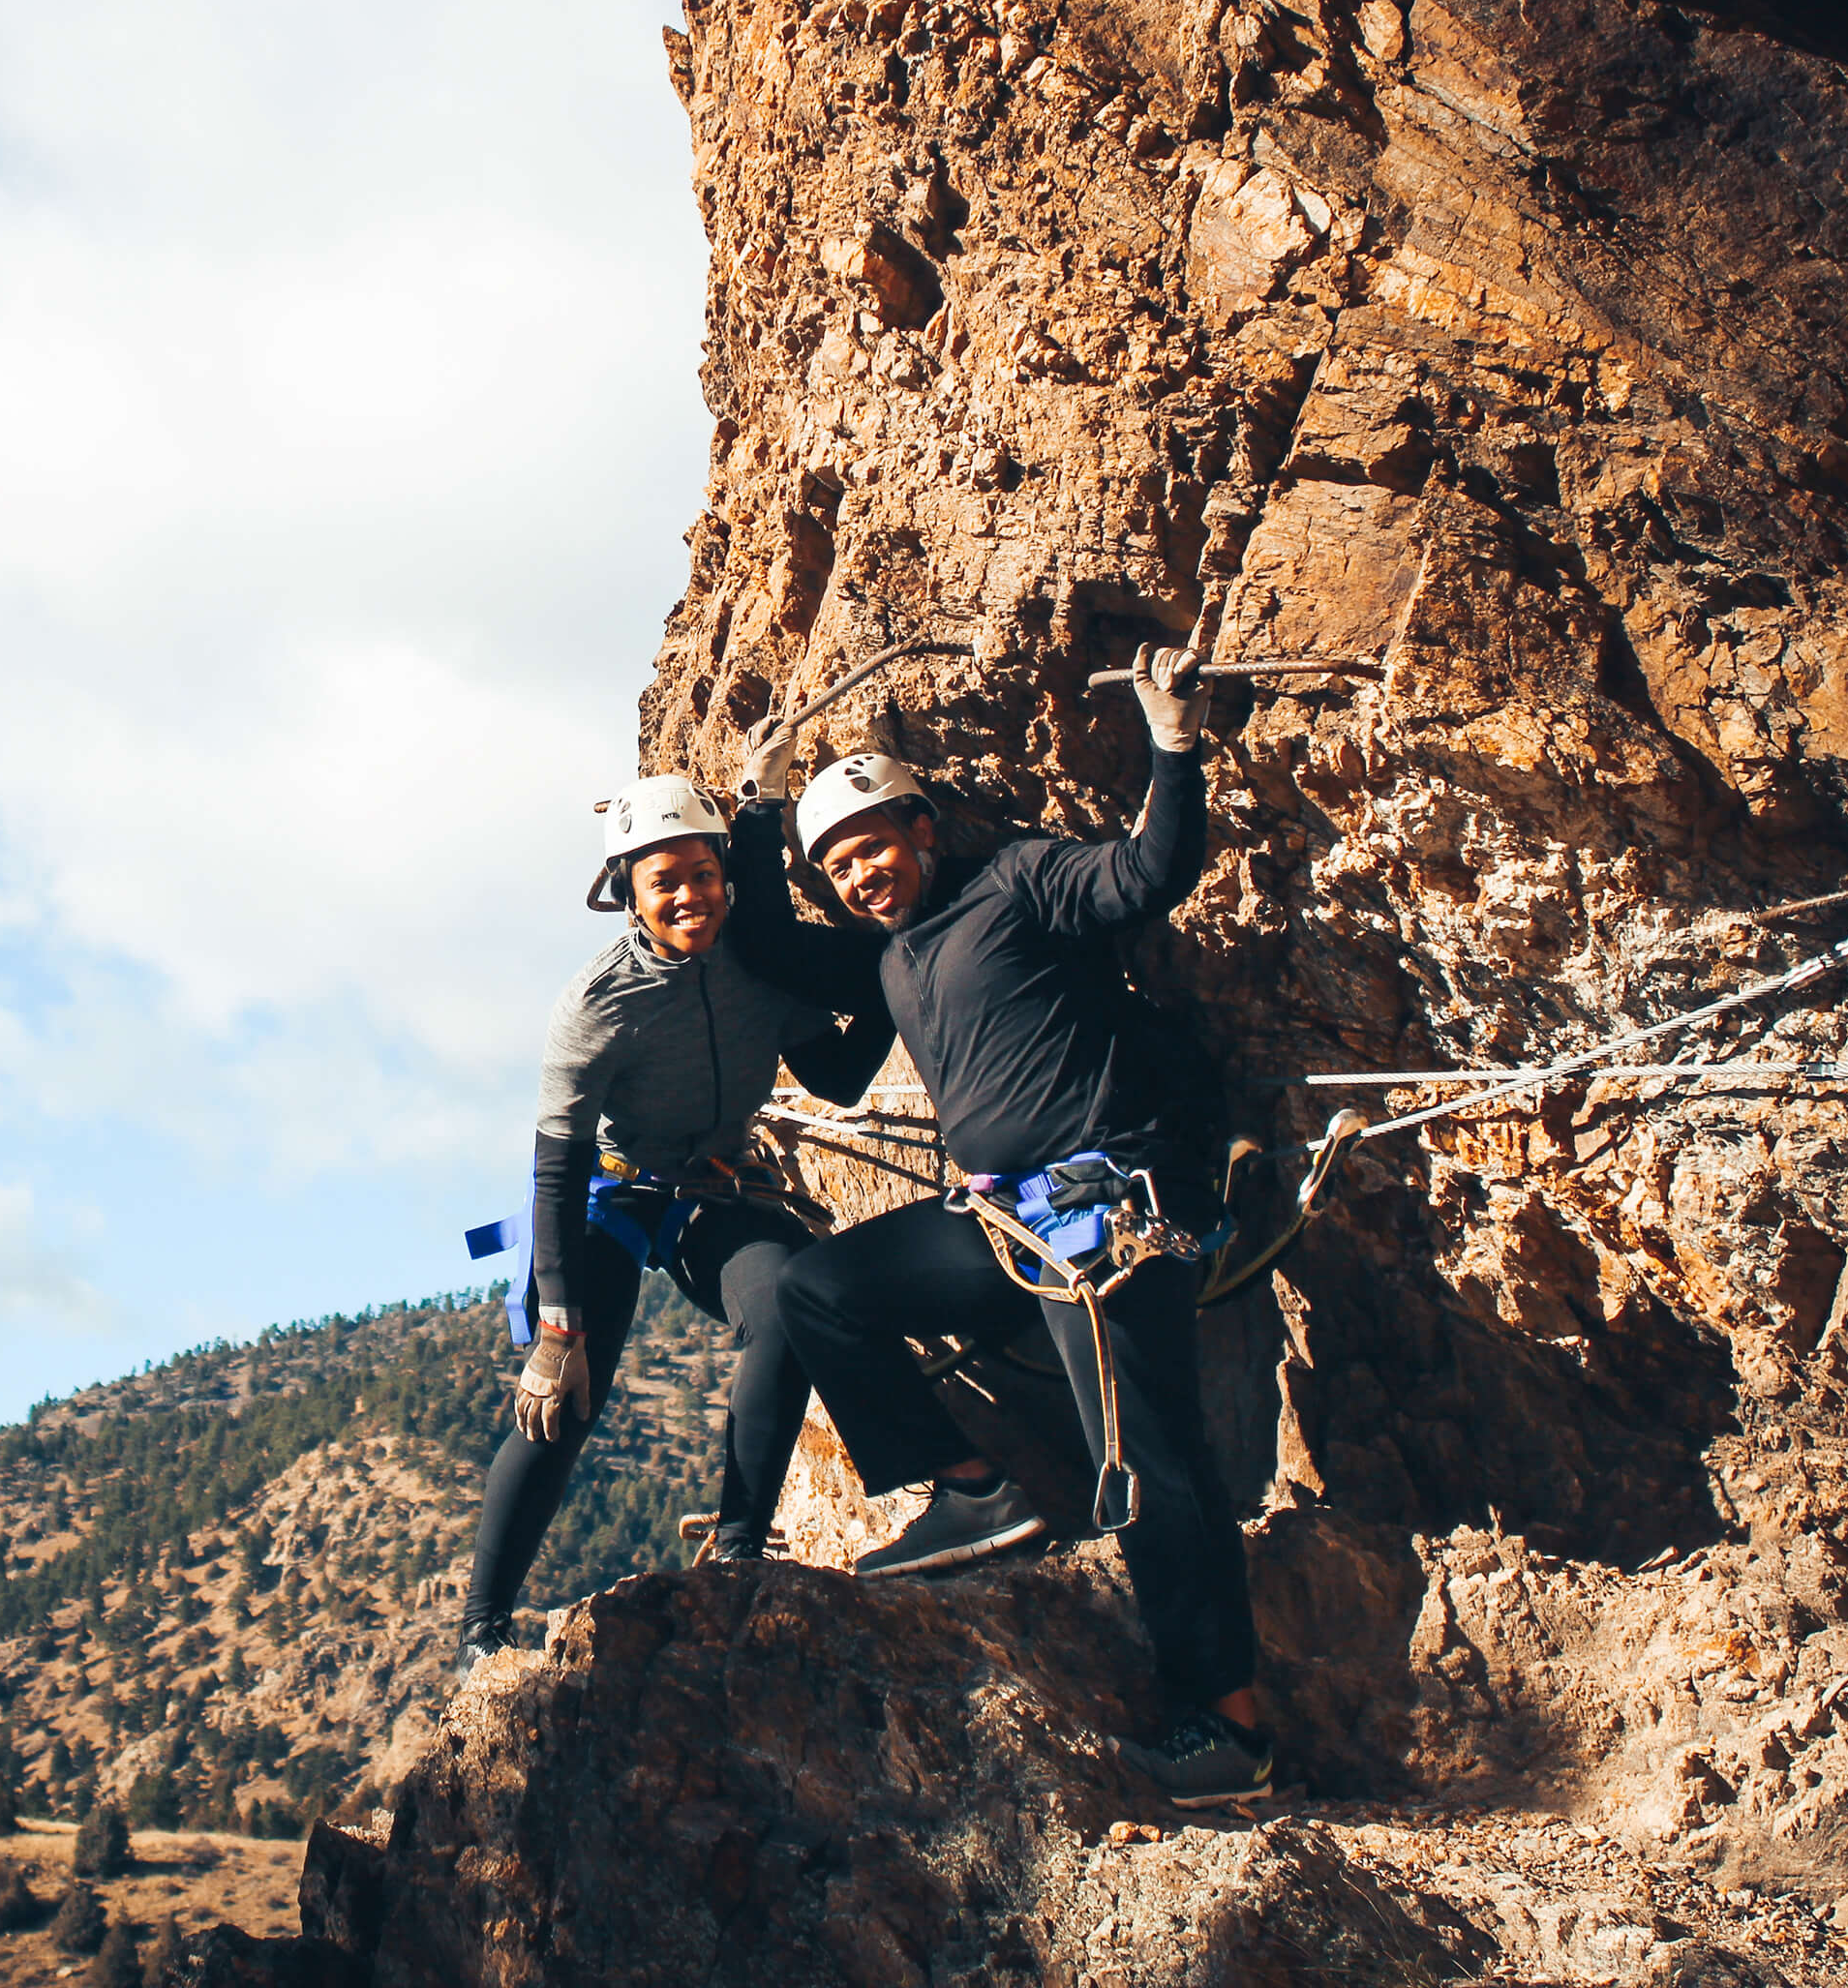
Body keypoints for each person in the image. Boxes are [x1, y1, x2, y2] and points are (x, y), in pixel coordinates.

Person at [725, 645, 1278, 1808]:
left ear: (922, 829)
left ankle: (1223, 1723)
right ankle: (973, 1489)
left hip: (1101, 1198)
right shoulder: (885, 959)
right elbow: (769, 945)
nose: (856, 876)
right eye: (834, 866)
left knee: (1143, 1456)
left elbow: (1144, 876)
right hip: (1001, 1222)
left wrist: (1174, 744)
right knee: (820, 1292)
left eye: (870, 845)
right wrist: (757, 811)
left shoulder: (1019, 884)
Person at [454, 773, 925, 1671]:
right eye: (664, 881)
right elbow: (557, 1167)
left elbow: (831, 1077)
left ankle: (741, 1552)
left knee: (791, 1301)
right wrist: (559, 1329)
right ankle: (483, 1629)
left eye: (703, 876)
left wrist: (889, 982)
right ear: (626, 894)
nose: (689, 897)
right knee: (566, 1401)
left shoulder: (754, 965)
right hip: (614, 1195)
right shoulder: (597, 1004)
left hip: (713, 1189)